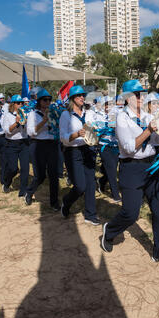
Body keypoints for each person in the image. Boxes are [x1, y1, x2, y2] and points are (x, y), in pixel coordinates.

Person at [101, 79, 159, 269]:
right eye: (136, 94)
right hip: (131, 168)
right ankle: (109, 232)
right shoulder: (122, 117)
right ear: (127, 98)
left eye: (141, 94)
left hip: (153, 167)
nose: (140, 97)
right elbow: (128, 148)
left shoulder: (147, 115)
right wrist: (149, 130)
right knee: (131, 213)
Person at [59, 85, 100, 225]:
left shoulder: (89, 113)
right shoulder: (66, 115)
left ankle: (90, 214)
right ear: (72, 99)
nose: (82, 97)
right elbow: (63, 138)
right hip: (73, 152)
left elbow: (96, 128)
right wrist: (77, 134)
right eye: (79, 96)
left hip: (88, 150)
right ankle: (66, 201)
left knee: (90, 183)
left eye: (83, 95)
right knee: (80, 186)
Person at [24, 89, 60, 210]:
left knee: (54, 175)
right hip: (38, 145)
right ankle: (29, 191)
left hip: (52, 144)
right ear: (39, 101)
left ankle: (54, 202)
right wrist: (44, 121)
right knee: (40, 176)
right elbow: (30, 132)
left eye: (49, 100)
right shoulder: (33, 115)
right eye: (45, 100)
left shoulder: (54, 113)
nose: (48, 102)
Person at [2, 95, 29, 196]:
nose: (21, 105)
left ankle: (23, 191)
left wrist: (26, 121)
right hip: (11, 143)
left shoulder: (25, 114)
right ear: (13, 104)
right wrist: (16, 123)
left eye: (22, 103)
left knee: (25, 168)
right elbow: (7, 132)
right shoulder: (8, 115)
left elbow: (28, 131)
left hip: (24, 142)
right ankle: (6, 183)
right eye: (18, 103)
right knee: (13, 168)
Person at [96, 96, 121, 203]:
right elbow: (97, 130)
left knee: (112, 168)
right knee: (111, 170)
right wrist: (107, 126)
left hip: (115, 146)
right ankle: (115, 195)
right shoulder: (98, 116)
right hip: (103, 146)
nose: (108, 107)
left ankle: (101, 181)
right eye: (106, 104)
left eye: (110, 104)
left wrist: (116, 124)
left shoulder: (118, 115)